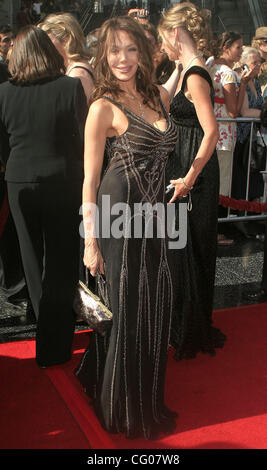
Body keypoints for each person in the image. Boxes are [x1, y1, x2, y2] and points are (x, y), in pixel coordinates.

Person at [75, 15, 178, 439]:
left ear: (143, 51)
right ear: (103, 55)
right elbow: (90, 180)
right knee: (128, 310)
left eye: (131, 49)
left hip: (156, 218)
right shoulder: (101, 108)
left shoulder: (157, 96)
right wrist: (91, 241)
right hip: (119, 218)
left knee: (157, 302)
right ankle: (121, 406)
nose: (123, 58)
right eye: (114, 50)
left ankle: (147, 395)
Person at [0, 25, 88, 367]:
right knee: (63, 259)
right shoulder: (69, 87)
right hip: (63, 180)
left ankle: (45, 333)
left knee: (32, 260)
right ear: (49, 53)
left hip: (20, 182)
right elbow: (81, 138)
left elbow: (3, 145)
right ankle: (56, 341)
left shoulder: (4, 92)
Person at [158, 2, 226, 361]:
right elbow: (162, 99)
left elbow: (211, 132)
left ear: (174, 32)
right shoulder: (188, 70)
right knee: (180, 248)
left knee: (191, 248)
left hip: (195, 171)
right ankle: (183, 322)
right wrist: (178, 63)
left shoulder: (196, 75)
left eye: (163, 37)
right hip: (186, 165)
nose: (162, 45)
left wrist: (188, 178)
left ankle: (191, 327)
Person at [208, 31, 251, 244]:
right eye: (238, 47)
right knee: (221, 184)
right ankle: (214, 233)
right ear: (226, 47)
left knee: (208, 181)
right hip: (224, 135)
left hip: (209, 130)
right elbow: (234, 111)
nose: (241, 52)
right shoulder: (227, 73)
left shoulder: (210, 67)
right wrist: (243, 83)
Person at [231, 47, 264, 204]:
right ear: (243, 64)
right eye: (254, 63)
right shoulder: (239, 80)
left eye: (260, 62)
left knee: (254, 178)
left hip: (251, 138)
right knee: (241, 180)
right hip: (240, 138)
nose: (258, 65)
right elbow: (245, 111)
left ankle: (253, 214)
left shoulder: (256, 83)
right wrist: (263, 115)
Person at [39, 12, 94, 105]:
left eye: (48, 41)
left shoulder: (77, 75)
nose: (44, 47)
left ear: (66, 39)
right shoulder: (74, 69)